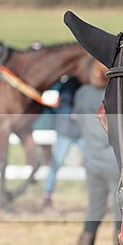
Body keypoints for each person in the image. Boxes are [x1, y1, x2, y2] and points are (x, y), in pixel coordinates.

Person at [73, 83, 123, 245]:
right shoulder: (116, 93)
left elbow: (76, 120)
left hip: (92, 162)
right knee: (118, 213)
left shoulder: (82, 94)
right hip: (114, 164)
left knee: (93, 211)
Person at [42, 74, 82, 208]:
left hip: (73, 130)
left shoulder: (65, 84)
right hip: (70, 130)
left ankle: (47, 194)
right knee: (95, 161)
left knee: (56, 163)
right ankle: (47, 194)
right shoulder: (70, 84)